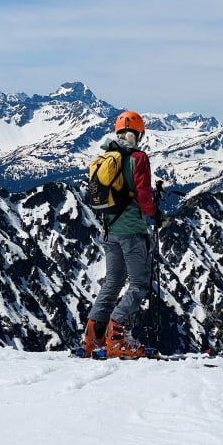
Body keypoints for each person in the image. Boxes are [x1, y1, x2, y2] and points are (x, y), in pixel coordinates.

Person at [80, 110, 163, 358]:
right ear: (138, 133)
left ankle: (92, 338)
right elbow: (143, 195)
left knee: (113, 283)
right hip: (131, 230)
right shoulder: (139, 158)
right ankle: (116, 338)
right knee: (139, 283)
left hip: (109, 230)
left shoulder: (105, 157)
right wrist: (155, 214)